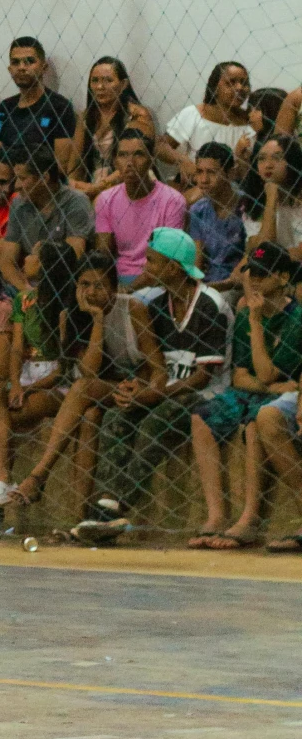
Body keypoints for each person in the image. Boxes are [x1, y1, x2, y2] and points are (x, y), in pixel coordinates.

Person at [69, 229, 232, 543]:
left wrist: (155, 394)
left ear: (172, 268)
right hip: (167, 388)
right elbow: (152, 364)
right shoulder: (158, 305)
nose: (146, 268)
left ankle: (114, 509)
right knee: (117, 417)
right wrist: (138, 389)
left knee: (154, 421)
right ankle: (106, 503)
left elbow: (203, 377)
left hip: (205, 395)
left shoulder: (211, 305)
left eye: (153, 262)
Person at [5, 251, 167, 518]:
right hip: (100, 388)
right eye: (84, 284)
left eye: (100, 285)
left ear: (114, 288)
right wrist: (97, 320)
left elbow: (159, 368)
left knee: (81, 391)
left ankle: (39, 475)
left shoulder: (133, 309)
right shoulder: (71, 316)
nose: (92, 292)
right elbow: (89, 371)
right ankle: (78, 517)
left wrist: (144, 391)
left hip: (137, 387)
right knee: (89, 415)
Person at [0, 240, 81, 535]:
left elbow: (63, 366)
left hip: (54, 382)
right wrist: (14, 384)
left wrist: (32, 388)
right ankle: (1, 481)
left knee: (4, 422)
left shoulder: (64, 308)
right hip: (25, 376)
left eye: (34, 254)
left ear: (47, 265)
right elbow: (16, 348)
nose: (26, 257)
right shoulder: (25, 300)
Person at [184, 242, 302, 549]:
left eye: (264, 274)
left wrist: (254, 322)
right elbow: (240, 375)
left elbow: (263, 372)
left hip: (267, 399)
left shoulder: (294, 318)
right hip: (254, 391)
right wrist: (269, 385)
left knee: (253, 421)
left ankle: (249, 518)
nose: (256, 281)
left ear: (282, 277)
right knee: (202, 416)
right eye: (253, 273)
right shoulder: (247, 312)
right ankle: (216, 514)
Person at [92, 131, 189, 284]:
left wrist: (130, 290)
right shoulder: (106, 199)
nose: (130, 162)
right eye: (123, 155)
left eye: (138, 154)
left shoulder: (173, 201)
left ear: (151, 161)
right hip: (116, 279)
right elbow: (103, 254)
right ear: (115, 162)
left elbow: (167, 261)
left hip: (157, 281)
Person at [0, 153, 94, 293]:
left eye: (22, 178)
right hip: (27, 284)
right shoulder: (18, 203)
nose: (16, 186)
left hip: (64, 285)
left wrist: (43, 294)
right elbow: (6, 262)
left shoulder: (76, 202)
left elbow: (73, 258)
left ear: (44, 177)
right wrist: (26, 291)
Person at [69, 57, 157, 198]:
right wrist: (74, 185)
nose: (100, 87)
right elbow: (75, 166)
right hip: (93, 184)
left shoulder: (136, 115)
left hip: (129, 181)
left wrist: (98, 188)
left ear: (123, 85)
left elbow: (137, 160)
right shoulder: (85, 117)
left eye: (108, 81)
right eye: (95, 81)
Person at [157, 61, 253, 187]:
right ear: (215, 86)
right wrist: (182, 161)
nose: (239, 88)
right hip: (196, 185)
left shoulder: (251, 122)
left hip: (233, 190)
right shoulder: (194, 114)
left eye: (244, 83)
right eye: (231, 82)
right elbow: (160, 146)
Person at [0, 37, 76, 178]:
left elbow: (61, 165)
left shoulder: (60, 107)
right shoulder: (3, 109)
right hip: (5, 185)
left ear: (44, 67)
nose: (22, 67)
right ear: (10, 69)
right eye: (15, 62)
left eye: (29, 61)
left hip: (42, 186)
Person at [185, 144, 246, 289]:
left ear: (230, 173)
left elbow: (252, 255)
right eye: (199, 172)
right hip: (208, 283)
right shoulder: (198, 210)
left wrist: (214, 288)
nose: (204, 180)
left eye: (212, 172)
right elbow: (197, 260)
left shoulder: (246, 207)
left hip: (238, 284)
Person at [245, 133, 302, 253]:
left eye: (277, 158)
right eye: (261, 158)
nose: (268, 165)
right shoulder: (254, 204)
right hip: (269, 268)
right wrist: (271, 198)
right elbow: (261, 251)